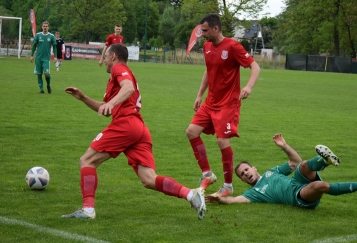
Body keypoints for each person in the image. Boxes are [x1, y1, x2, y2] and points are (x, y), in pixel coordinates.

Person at [62, 44, 206, 220]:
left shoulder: (118, 68)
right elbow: (105, 108)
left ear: (113, 56)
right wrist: (83, 98)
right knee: (148, 179)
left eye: (106, 56)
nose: (104, 60)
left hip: (126, 124)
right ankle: (191, 195)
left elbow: (128, 88)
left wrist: (111, 103)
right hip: (138, 127)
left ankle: (88, 209)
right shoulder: (116, 78)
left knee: (87, 160)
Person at [186, 13, 261, 196]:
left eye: (205, 30)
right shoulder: (207, 46)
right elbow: (208, 71)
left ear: (215, 28)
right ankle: (207, 174)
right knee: (191, 132)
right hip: (210, 102)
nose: (202, 34)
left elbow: (255, 66)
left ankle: (228, 186)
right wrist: (199, 95)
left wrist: (249, 86)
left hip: (228, 104)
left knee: (222, 140)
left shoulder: (233, 46)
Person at [206, 133, 357, 208]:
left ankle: (326, 160)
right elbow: (235, 200)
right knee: (320, 185)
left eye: (246, 170)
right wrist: (220, 199)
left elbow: (294, 162)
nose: (246, 174)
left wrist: (284, 146)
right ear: (244, 181)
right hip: (299, 195)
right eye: (243, 175)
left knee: (303, 165)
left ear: (254, 168)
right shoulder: (253, 193)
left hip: (299, 180)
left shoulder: (271, 172)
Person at [30, 21, 57, 94]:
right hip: (38, 58)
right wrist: (32, 55)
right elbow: (34, 46)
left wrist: (55, 57)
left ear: (48, 27)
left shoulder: (51, 36)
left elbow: (54, 47)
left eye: (46, 26)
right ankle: (41, 90)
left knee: (46, 74)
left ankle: (48, 85)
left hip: (46, 59)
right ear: (42, 27)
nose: (45, 27)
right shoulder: (38, 35)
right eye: (44, 26)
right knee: (39, 74)